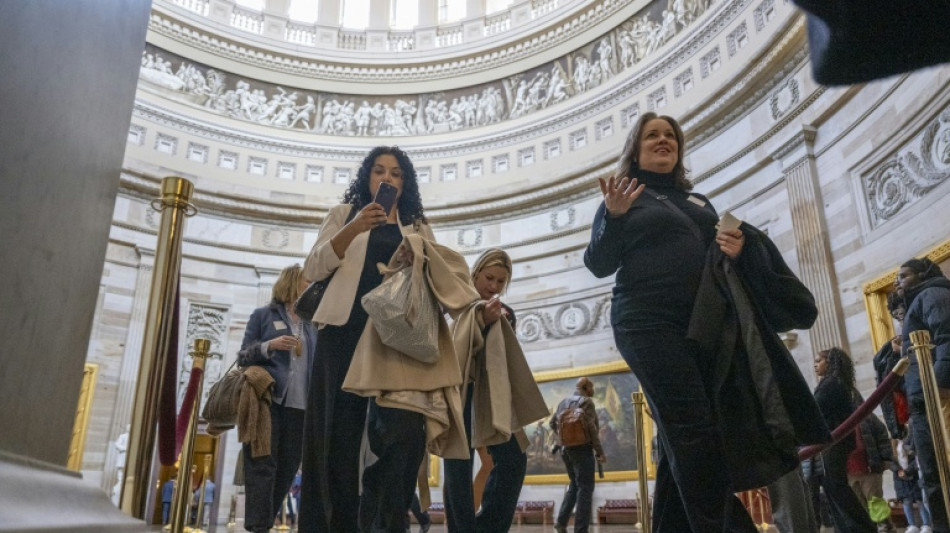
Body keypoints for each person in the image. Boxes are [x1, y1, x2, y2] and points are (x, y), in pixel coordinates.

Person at [584, 112, 827, 532]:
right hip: (646, 325)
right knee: (693, 430)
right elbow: (598, 264)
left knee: (685, 437)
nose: (663, 140)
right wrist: (614, 217)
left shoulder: (698, 203)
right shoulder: (622, 198)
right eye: (652, 136)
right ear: (635, 150)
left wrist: (739, 249)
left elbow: (717, 259)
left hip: (702, 326)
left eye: (670, 136)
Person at [299, 146, 434, 533]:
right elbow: (313, 267)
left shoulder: (417, 224)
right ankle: (334, 524)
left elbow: (434, 278)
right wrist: (356, 226)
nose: (387, 178)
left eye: (396, 173)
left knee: (398, 437)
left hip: (394, 339)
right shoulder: (344, 215)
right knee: (337, 439)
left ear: (405, 183)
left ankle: (384, 523)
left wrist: (416, 262)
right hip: (343, 332)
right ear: (367, 177)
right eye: (379, 171)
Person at [443, 249, 548, 533]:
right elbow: (450, 341)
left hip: (492, 395)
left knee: (514, 458)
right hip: (459, 391)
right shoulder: (455, 301)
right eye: (489, 278)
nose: (493, 285)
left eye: (501, 281)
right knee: (457, 463)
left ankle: (489, 526)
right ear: (475, 273)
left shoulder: (505, 312)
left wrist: (497, 321)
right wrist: (479, 319)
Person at [237, 263, 314, 533]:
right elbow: (242, 356)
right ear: (293, 283)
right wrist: (271, 345)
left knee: (288, 466)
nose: (311, 285)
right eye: (307, 280)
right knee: (262, 463)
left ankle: (264, 521)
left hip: (301, 407)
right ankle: (259, 527)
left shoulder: (313, 323)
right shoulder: (263, 316)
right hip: (268, 402)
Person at [898, 257, 950, 533]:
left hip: (938, 395)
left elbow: (947, 336)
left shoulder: (933, 293)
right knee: (932, 476)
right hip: (923, 400)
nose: (898, 282)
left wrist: (941, 385)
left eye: (904, 275)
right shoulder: (916, 303)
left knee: (943, 472)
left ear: (923, 274)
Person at [812, 348, 876, 532]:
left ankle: (862, 527)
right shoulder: (835, 382)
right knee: (832, 485)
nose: (815, 364)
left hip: (835, 440)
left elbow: (817, 408)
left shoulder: (832, 383)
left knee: (836, 485)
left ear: (830, 362)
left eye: (819, 360)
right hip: (836, 440)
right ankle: (846, 527)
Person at [549, 377, 605, 533]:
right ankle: (580, 529)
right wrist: (599, 451)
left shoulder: (562, 403)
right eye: (591, 387)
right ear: (586, 388)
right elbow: (592, 429)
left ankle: (561, 523)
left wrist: (565, 438)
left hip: (565, 450)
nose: (592, 391)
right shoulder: (586, 402)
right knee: (586, 488)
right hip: (582, 449)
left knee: (574, 484)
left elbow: (552, 423)